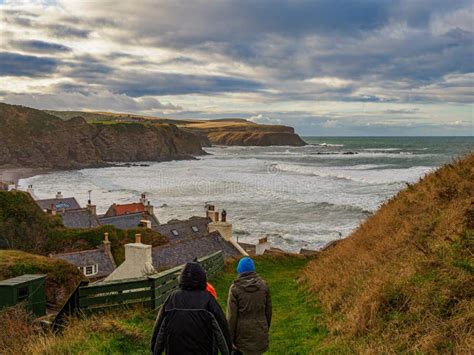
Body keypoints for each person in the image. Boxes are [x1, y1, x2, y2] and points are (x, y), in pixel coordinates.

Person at [151, 262, 232, 355]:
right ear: (202, 278)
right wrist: (228, 351)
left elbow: (159, 331)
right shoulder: (208, 299)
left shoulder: (172, 298)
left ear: (181, 278)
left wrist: (155, 351)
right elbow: (221, 329)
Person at [226, 257, 272, 355]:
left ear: (239, 270)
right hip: (260, 330)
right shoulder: (264, 286)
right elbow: (268, 311)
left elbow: (231, 317)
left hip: (241, 334)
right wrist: (265, 328)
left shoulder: (235, 288)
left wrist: (229, 339)